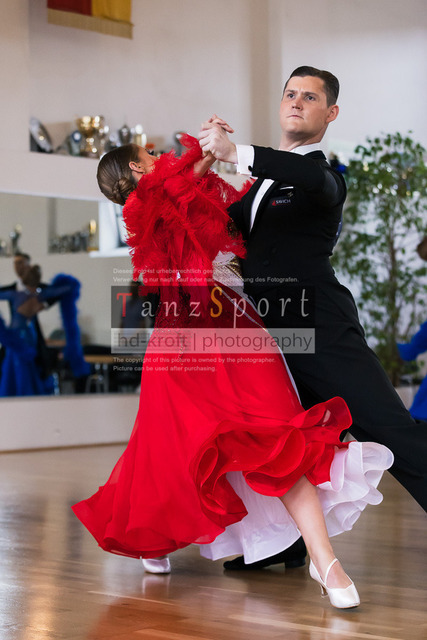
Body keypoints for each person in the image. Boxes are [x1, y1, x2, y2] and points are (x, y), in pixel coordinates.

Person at [71, 131, 393, 609]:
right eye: (150, 154)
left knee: (279, 436)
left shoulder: (189, 190)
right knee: (171, 451)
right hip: (185, 345)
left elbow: (218, 214)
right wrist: (209, 150)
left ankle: (324, 561)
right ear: (138, 169)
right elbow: (175, 189)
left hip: (237, 322)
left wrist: (218, 161)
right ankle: (152, 538)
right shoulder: (142, 208)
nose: (160, 157)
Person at [198, 65, 427, 573]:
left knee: (388, 428)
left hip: (320, 327)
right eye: (290, 94)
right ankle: (288, 544)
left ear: (331, 113)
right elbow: (215, 228)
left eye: (310, 97)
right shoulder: (255, 189)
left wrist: (236, 152)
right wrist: (200, 162)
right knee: (288, 442)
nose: (297, 102)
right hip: (269, 334)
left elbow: (303, 175)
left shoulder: (324, 178)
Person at [0, 265, 89, 396]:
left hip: (18, 337)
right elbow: (70, 287)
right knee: (26, 366)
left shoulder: (16, 295)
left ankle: (19, 394)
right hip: (30, 335)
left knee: (18, 367)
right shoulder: (39, 296)